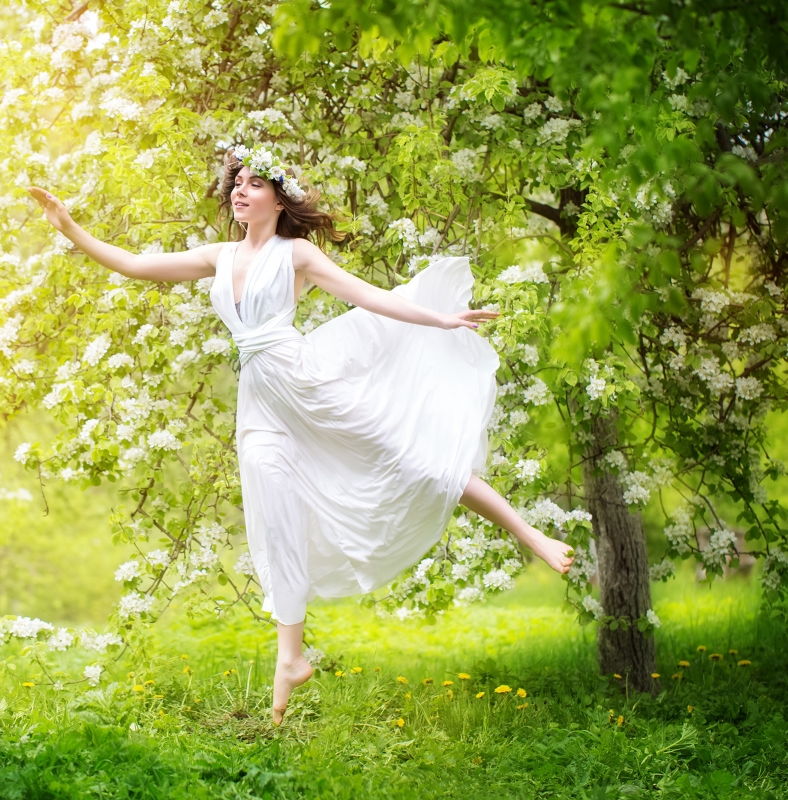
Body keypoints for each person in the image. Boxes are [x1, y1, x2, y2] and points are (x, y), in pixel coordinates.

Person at [28, 145, 574, 724]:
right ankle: (290, 661)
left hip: (308, 385)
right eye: (236, 182)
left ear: (277, 198)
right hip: (259, 403)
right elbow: (136, 263)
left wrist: (442, 319)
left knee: (410, 457)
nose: (240, 190)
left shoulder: (298, 255)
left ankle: (529, 533)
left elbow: (370, 297)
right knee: (273, 514)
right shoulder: (218, 257)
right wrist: (69, 227)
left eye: (254, 183)